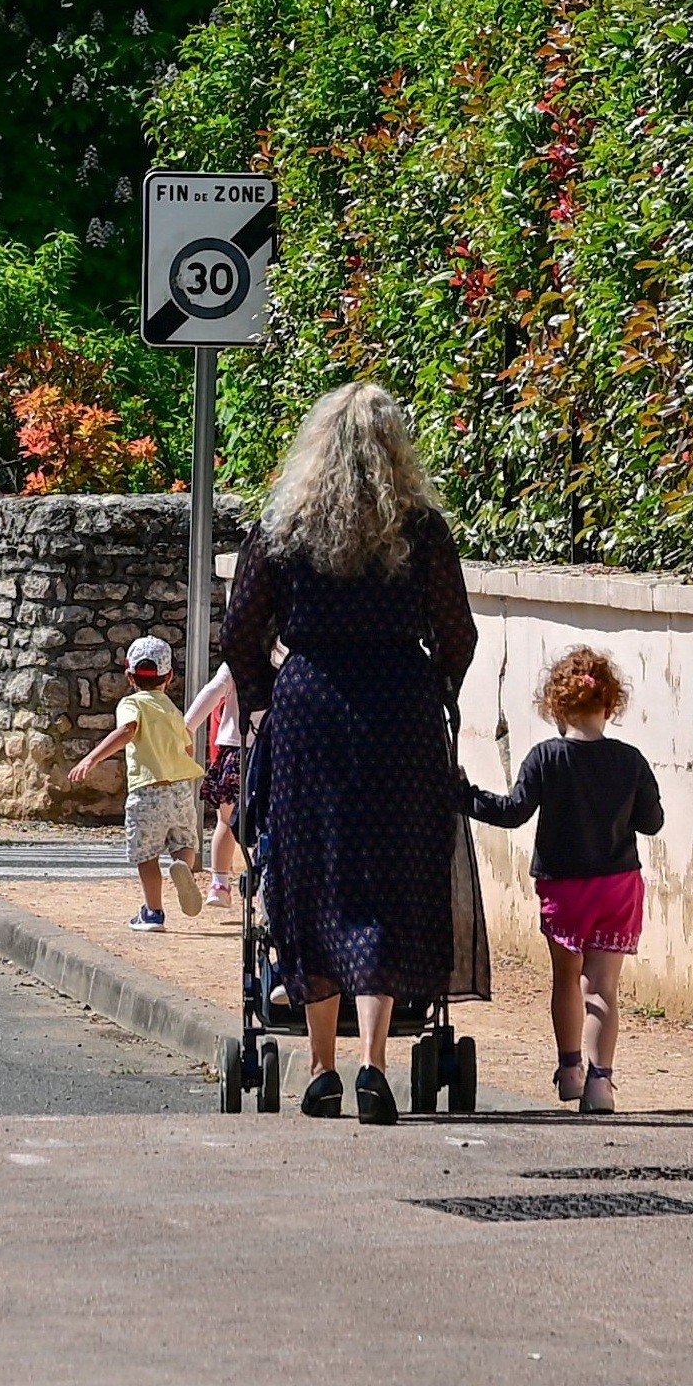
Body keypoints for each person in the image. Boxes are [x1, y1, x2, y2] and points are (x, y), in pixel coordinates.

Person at [220, 382, 481, 1125]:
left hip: (312, 711)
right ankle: (374, 1064)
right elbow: (457, 633)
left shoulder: (282, 529)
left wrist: (266, 697)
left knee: (316, 873)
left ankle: (321, 1068)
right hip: (398, 711)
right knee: (390, 877)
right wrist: (432, 688)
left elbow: (238, 633)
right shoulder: (422, 530)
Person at [460, 647, 662, 1115]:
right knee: (602, 988)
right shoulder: (630, 761)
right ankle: (600, 1084)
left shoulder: (545, 758)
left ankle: (570, 1069)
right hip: (617, 886)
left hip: (563, 888)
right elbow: (652, 823)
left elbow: (513, 811)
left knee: (566, 978)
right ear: (610, 705)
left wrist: (464, 796)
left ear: (555, 707)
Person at [69, 636, 205, 931]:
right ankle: (183, 866)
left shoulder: (131, 703)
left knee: (147, 855)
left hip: (147, 791)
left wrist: (92, 758)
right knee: (184, 843)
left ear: (129, 676)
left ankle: (153, 912)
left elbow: (128, 730)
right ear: (169, 676)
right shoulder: (172, 710)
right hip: (179, 790)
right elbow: (188, 747)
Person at [182, 662, 245, 907]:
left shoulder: (235, 663)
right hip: (273, 748)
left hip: (235, 751)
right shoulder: (283, 658)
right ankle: (266, 888)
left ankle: (219, 884)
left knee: (226, 821)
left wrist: (186, 728)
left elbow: (211, 693)